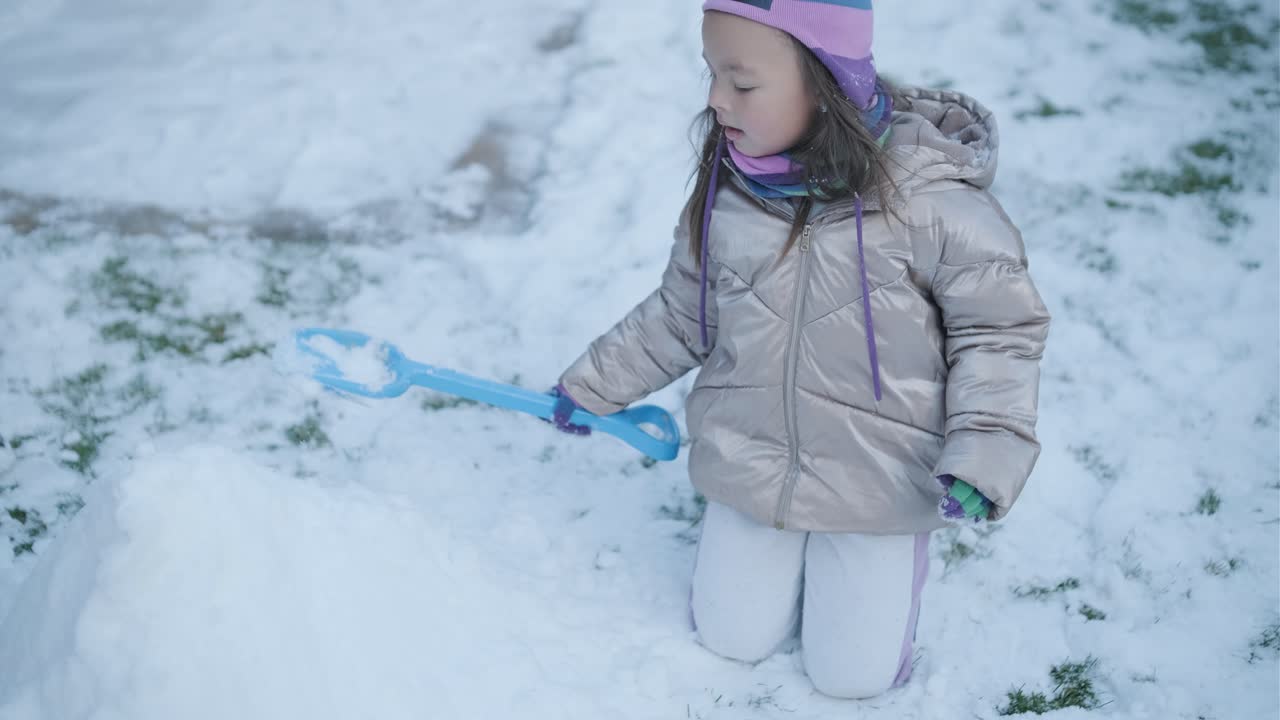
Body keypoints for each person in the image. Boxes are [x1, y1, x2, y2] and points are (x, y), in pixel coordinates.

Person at [548, 0, 1051, 700]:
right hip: (752, 464)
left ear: (823, 83)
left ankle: (882, 569)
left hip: (879, 478)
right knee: (729, 637)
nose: (718, 101)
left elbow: (999, 333)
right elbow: (682, 313)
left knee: (850, 678)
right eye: (712, 75)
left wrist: (986, 446)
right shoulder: (728, 191)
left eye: (742, 83)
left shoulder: (933, 205)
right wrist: (592, 387)